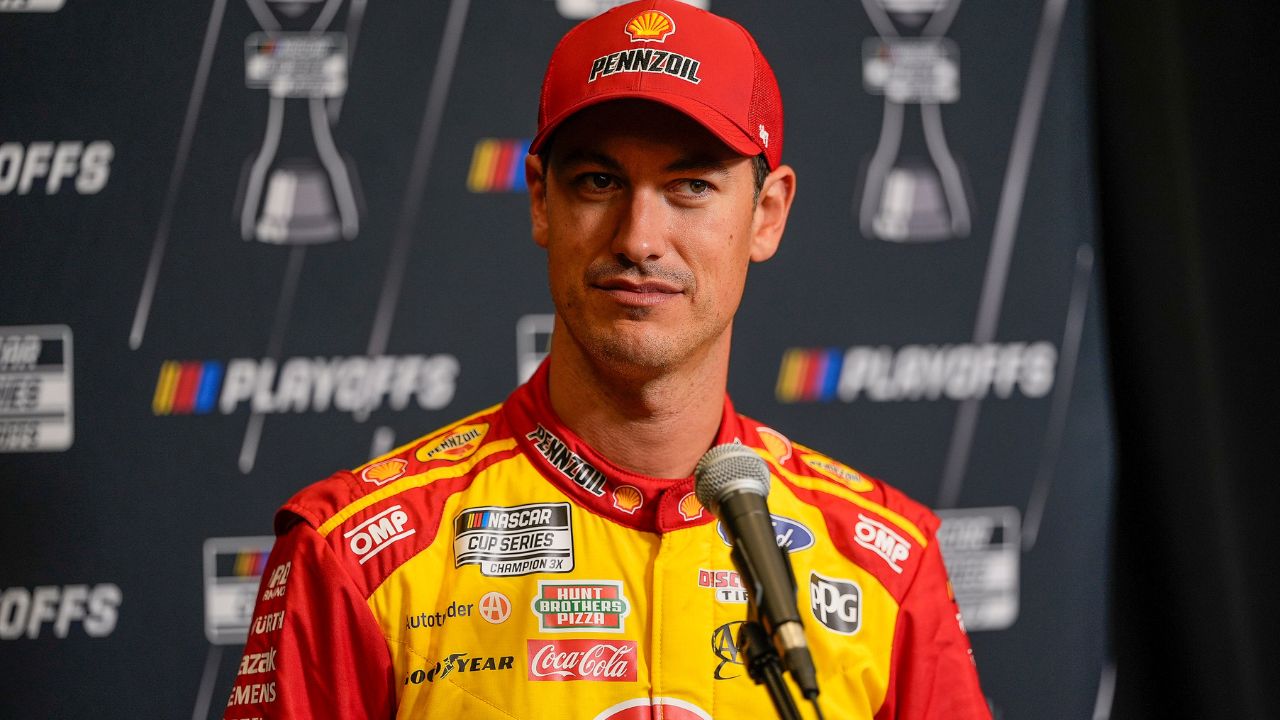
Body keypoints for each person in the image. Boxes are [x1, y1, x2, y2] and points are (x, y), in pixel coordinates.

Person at [224, 1, 991, 718]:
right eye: (599, 181)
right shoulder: (355, 556)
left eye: (691, 185)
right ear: (539, 201)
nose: (638, 239)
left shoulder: (889, 564)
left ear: (767, 214)